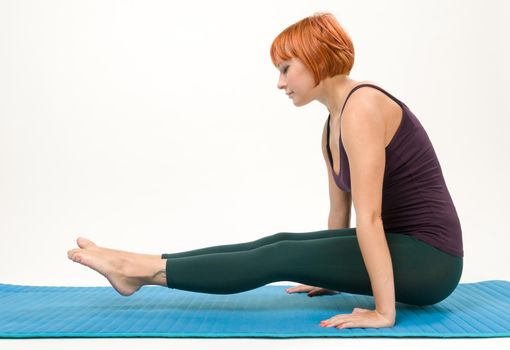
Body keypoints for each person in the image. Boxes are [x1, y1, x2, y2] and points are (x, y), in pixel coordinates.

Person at [67, 12, 463, 330]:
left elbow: (370, 217)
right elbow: (339, 217)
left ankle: (136, 270)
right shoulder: (332, 124)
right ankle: (140, 263)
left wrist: (383, 312)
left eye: (286, 68)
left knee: (281, 254)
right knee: (280, 241)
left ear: (315, 60)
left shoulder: (363, 107)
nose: (280, 82)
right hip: (404, 249)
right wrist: (326, 271)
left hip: (431, 261)